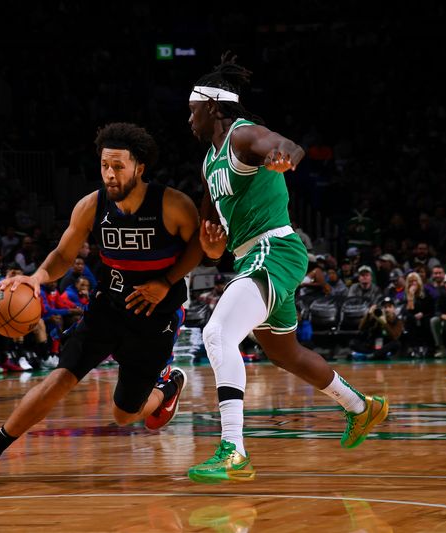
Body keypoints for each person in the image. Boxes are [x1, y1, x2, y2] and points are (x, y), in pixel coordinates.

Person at [0, 122, 200, 486]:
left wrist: (166, 282)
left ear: (139, 168)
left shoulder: (173, 204)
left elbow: (199, 250)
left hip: (153, 317)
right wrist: (36, 278)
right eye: (104, 166)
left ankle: (168, 386)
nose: (110, 174)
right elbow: (64, 253)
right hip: (108, 309)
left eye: (118, 166)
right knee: (59, 379)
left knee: (124, 416)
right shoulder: (91, 206)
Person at [185, 54, 388, 484]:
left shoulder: (243, 136)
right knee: (283, 351)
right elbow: (211, 228)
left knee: (218, 333)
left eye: (193, 110)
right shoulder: (208, 163)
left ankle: (233, 451)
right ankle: (361, 406)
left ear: (214, 107)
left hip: (274, 248)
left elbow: (286, 145)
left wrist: (284, 157)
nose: (189, 120)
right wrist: (211, 238)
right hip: (250, 255)